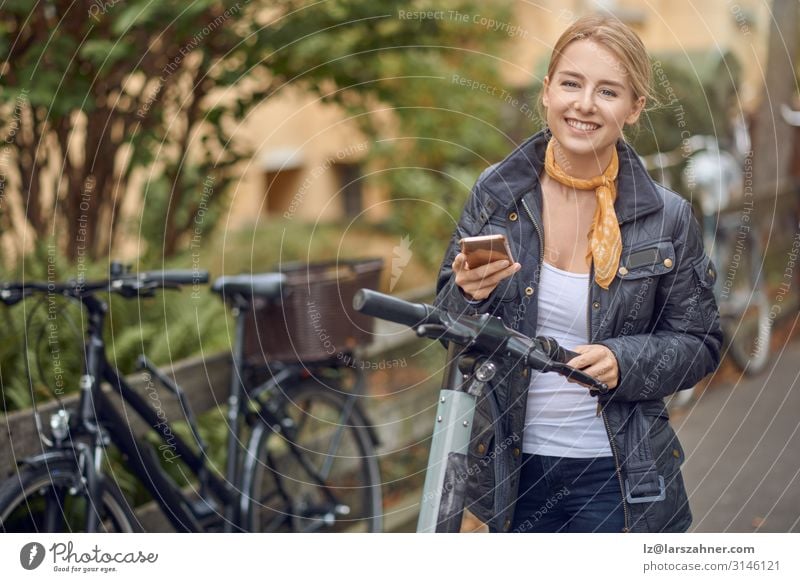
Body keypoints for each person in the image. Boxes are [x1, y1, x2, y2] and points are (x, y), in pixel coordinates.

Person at [434, 14, 723, 533]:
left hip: (615, 477)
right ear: (547, 92)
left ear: (634, 108)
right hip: (504, 475)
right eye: (571, 83)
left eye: (608, 91)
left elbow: (701, 342)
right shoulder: (497, 194)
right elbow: (446, 325)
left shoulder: (668, 217)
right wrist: (466, 295)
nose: (584, 104)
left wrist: (624, 359)